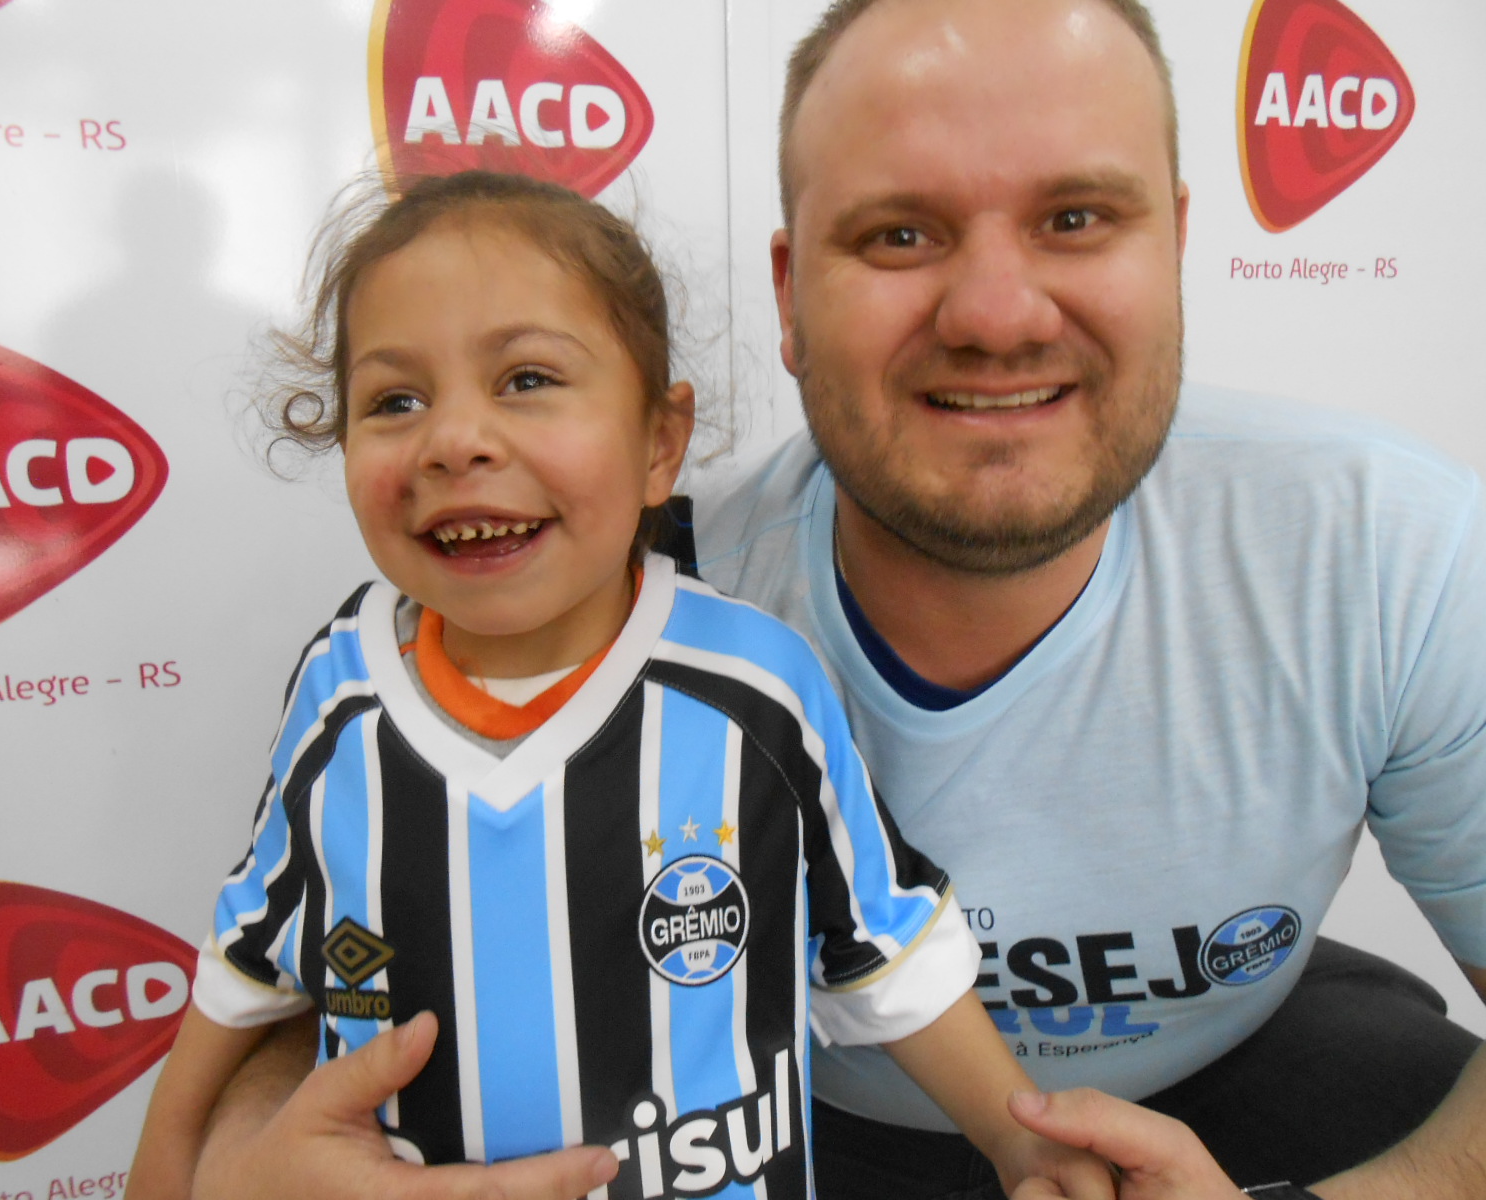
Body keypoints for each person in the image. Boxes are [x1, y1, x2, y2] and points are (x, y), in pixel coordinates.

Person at [168, 0, 1486, 1197]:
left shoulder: (1383, 548)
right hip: (795, 1128)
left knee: (1395, 1076)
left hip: (1239, 1076)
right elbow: (338, 939)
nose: (995, 312)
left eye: (1077, 218)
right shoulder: (622, 586)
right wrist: (241, 1159)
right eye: (900, 234)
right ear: (792, 296)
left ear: (1178, 245)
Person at [125, 170, 1117, 1200]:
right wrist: (165, 1174)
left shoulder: (755, 692)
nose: (454, 440)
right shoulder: (338, 699)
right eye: (394, 400)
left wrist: (1023, 1144)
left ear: (659, 443)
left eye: (526, 381)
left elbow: (888, 955)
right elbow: (248, 960)